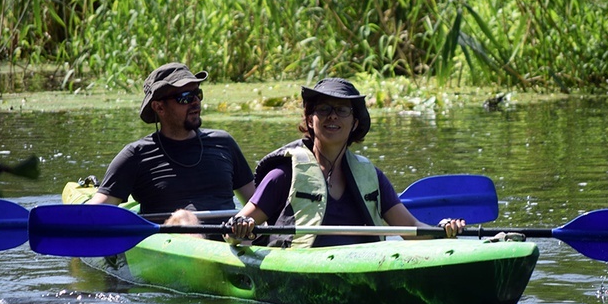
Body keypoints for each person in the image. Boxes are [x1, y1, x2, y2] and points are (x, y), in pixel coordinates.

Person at [226, 77, 464, 247]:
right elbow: (234, 230)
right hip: (302, 270)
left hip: (365, 270)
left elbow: (410, 228)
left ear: (355, 123)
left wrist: (443, 231)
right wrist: (240, 228)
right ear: (310, 120)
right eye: (324, 109)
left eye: (342, 110)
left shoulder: (371, 176)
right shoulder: (282, 175)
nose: (332, 116)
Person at [88, 62, 255, 223]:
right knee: (184, 218)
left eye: (198, 94)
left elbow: (257, 202)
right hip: (173, 243)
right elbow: (94, 214)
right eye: (185, 98)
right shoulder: (135, 156)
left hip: (232, 241)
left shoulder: (224, 143)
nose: (196, 101)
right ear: (159, 107)